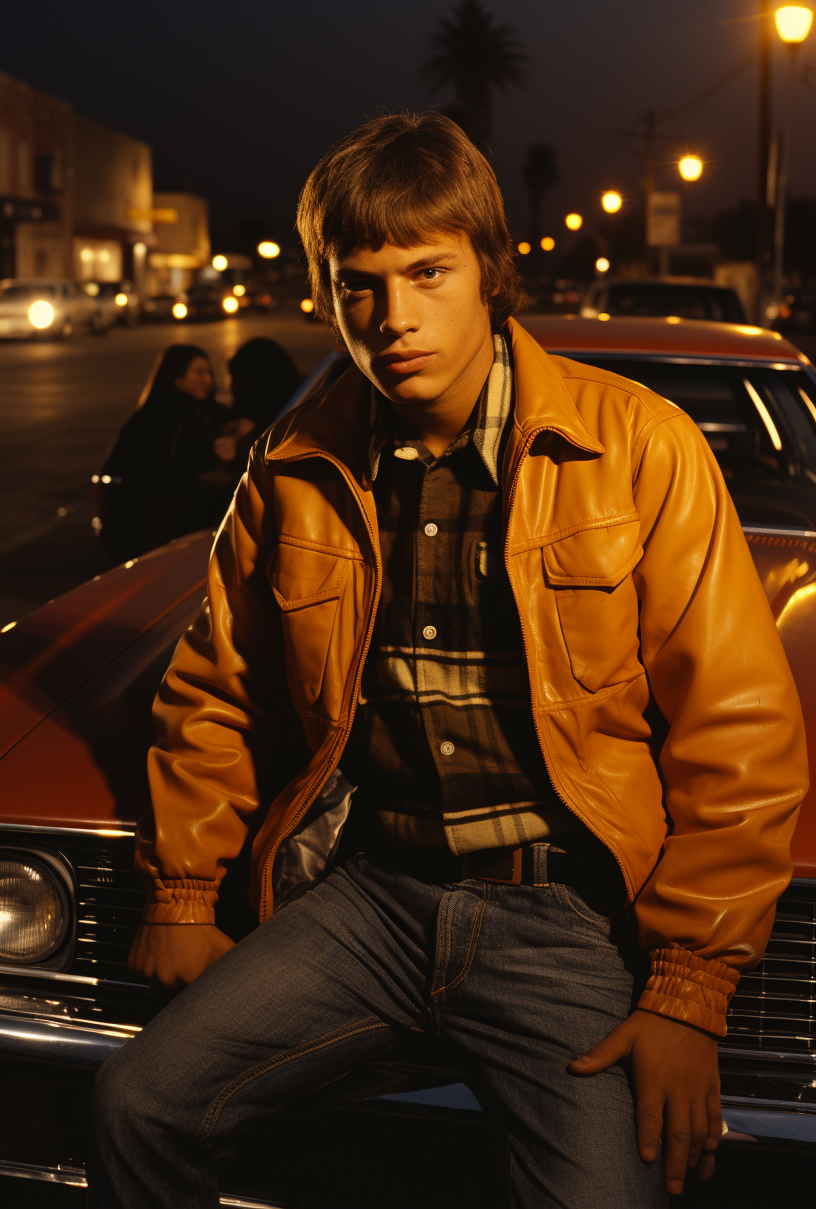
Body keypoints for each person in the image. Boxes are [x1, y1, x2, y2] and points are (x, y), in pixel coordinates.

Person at [90, 114, 807, 1207]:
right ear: (329, 295)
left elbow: (739, 729)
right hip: (372, 896)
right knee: (137, 1101)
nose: (394, 317)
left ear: (491, 273)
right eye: (360, 283)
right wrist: (183, 891)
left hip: (563, 917)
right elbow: (216, 686)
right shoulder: (293, 466)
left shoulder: (639, 445)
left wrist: (685, 995)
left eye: (428, 271)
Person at [97, 343, 229, 564]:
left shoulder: (200, 411)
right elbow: (175, 465)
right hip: (151, 526)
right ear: (176, 377)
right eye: (199, 372)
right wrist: (217, 457)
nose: (208, 380)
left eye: (209, 372)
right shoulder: (164, 416)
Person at [213, 336, 301, 478]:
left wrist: (243, 444)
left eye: (237, 378)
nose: (231, 386)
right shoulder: (301, 397)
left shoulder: (285, 424)